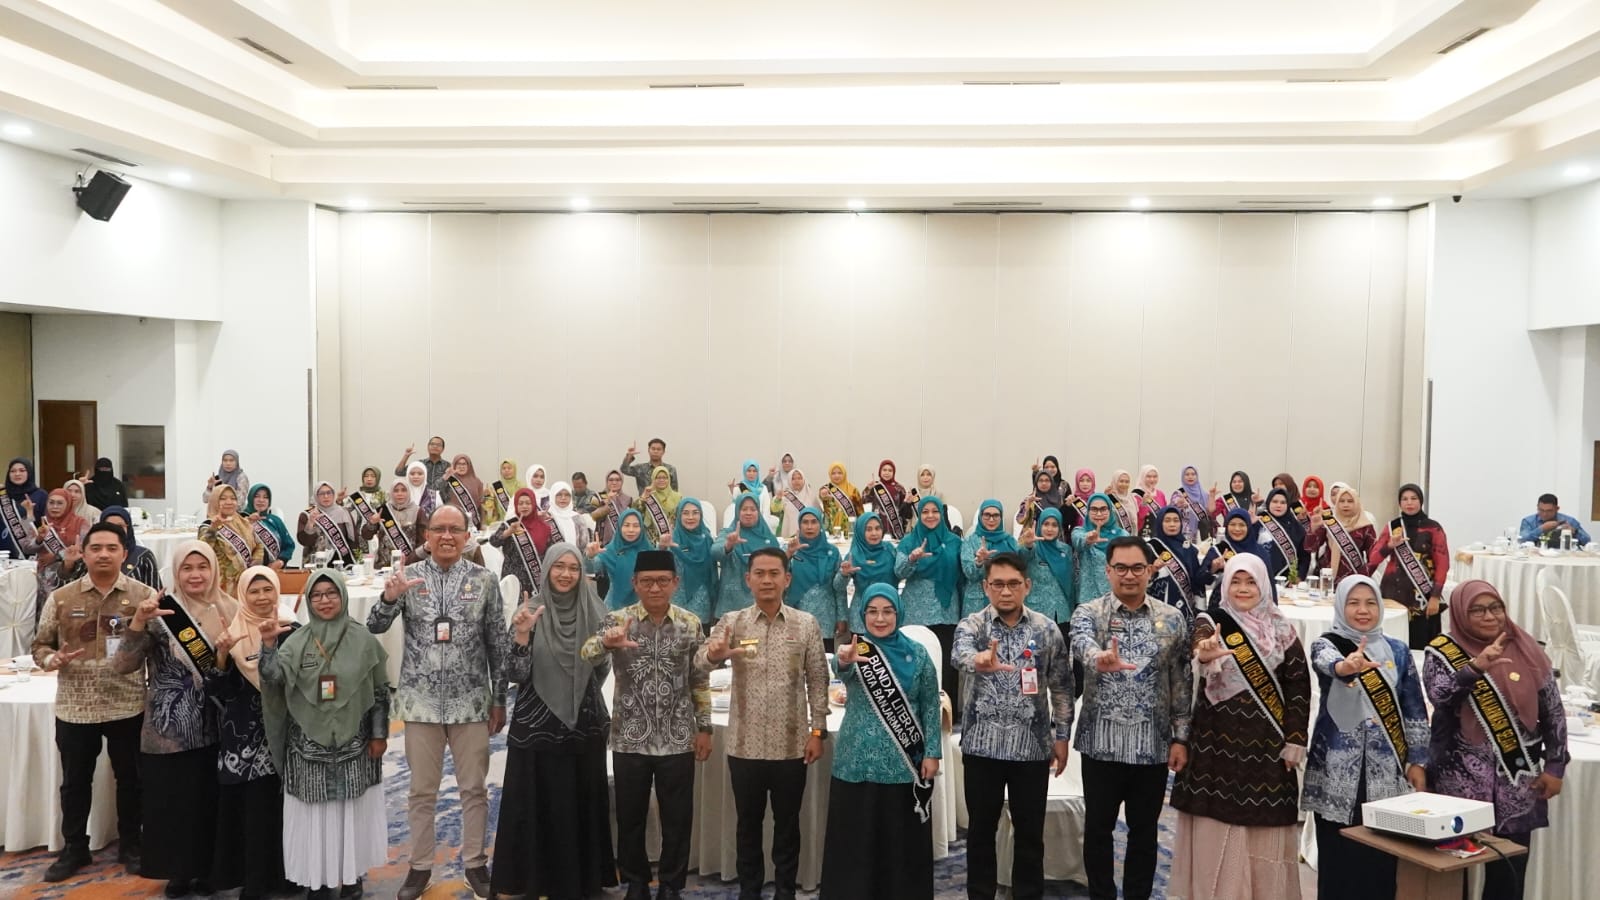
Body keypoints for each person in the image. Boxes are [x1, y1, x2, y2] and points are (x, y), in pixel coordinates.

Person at [369, 505, 507, 900]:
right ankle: (420, 867)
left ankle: (475, 864)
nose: (447, 536)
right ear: (426, 536)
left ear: (467, 536)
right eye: (439, 529)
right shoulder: (409, 577)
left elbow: (497, 643)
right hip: (421, 702)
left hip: (471, 702)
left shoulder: (484, 580)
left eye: (455, 530)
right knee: (421, 791)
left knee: (474, 789)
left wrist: (499, 698)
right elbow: (375, 625)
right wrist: (388, 598)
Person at [1169, 555, 1310, 900]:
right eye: (1235, 581)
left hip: (1267, 749)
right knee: (1216, 830)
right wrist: (1204, 653)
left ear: (1264, 585)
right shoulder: (1213, 620)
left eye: (1251, 582)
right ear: (1225, 585)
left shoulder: (1283, 629)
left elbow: (1298, 687)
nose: (1243, 589)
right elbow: (1201, 640)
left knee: (1264, 830)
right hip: (1215, 746)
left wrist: (1295, 739)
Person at [697, 547, 830, 900]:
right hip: (745, 746)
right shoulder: (732, 622)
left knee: (788, 826)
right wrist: (713, 655)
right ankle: (750, 891)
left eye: (774, 573)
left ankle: (785, 891)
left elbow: (818, 680)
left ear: (787, 579)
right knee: (747, 826)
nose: (767, 580)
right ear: (748, 579)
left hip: (792, 747)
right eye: (760, 573)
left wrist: (818, 731)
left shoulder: (806, 624)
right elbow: (699, 664)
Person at [1423, 580, 1569, 900]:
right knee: (1451, 876)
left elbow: (1554, 712)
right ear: (1460, 613)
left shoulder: (1527, 648)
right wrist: (1473, 669)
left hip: (1517, 784)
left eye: (1495, 608)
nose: (1489, 616)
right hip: (1458, 785)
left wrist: (1556, 765)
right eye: (1477, 610)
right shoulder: (1441, 651)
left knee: (1509, 876)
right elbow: (1439, 696)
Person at [579, 550, 711, 900]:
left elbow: (699, 678)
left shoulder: (690, 623)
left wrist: (705, 727)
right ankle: (636, 882)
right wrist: (605, 642)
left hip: (677, 736)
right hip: (630, 737)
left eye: (662, 581)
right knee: (630, 816)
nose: (655, 588)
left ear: (675, 583)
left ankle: (671, 884)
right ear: (634, 583)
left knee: (677, 818)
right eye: (647, 581)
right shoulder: (617, 619)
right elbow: (587, 654)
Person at [1070, 536, 1193, 900]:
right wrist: (1098, 658)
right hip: (1101, 744)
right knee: (1098, 830)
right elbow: (1080, 641)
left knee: (1144, 832)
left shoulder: (1172, 619)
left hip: (1151, 746)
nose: (1129, 575)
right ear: (1108, 571)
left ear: (1150, 571)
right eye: (1120, 568)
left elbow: (1180, 682)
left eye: (1137, 567)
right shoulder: (1089, 613)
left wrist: (1181, 737)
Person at [491, 543, 616, 900]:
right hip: (537, 726)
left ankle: (582, 881)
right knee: (537, 804)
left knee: (581, 802)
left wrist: (578, 690)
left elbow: (602, 668)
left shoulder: (597, 610)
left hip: (584, 723)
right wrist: (522, 635)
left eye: (573, 568)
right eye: (558, 567)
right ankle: (532, 881)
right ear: (546, 570)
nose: (566, 574)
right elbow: (515, 674)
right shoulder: (529, 611)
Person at [110, 541, 234, 897]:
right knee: (173, 804)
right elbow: (122, 665)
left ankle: (209, 870)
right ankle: (177, 872)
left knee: (210, 802)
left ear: (214, 570)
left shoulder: (230, 608)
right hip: (169, 730)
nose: (195, 575)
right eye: (187, 568)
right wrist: (138, 621)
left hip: (218, 727)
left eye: (202, 567)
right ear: (175, 572)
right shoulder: (160, 611)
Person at [32, 522, 152, 882]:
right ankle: (74, 848)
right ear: (83, 553)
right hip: (76, 706)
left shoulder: (143, 596)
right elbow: (40, 645)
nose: (103, 554)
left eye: (111, 548)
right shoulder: (62, 598)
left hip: (126, 703)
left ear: (124, 553)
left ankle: (132, 845)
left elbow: (157, 647)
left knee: (131, 779)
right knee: (74, 781)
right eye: (95, 548)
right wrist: (52, 659)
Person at [259, 569, 389, 900]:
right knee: (315, 817)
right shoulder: (297, 641)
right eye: (316, 595)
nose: (324, 600)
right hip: (308, 749)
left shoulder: (363, 640)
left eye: (331, 593)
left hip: (354, 745)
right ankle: (318, 879)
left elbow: (380, 691)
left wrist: (379, 734)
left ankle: (351, 876)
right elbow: (272, 679)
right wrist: (269, 645)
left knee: (350, 814)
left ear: (342, 596)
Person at [1303, 574, 1430, 900]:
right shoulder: (1327, 643)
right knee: (1338, 862)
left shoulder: (1398, 651)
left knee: (1380, 863)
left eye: (1371, 602)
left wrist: (1418, 760)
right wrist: (1346, 667)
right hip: (1336, 772)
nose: (1363, 610)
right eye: (1354, 603)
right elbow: (1326, 662)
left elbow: (1414, 709)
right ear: (1341, 606)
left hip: (1386, 773)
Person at [954, 553, 1074, 900]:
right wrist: (979, 659)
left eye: (1013, 584)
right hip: (982, 748)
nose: (1005, 592)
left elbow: (1062, 686)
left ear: (1027, 586)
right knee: (980, 833)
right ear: (985, 587)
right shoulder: (972, 626)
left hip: (1031, 749)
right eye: (998, 584)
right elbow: (960, 654)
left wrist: (1062, 736)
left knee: (1030, 834)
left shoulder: (1046, 630)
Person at [822, 583, 943, 899]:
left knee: (899, 841)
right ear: (863, 615)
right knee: (855, 840)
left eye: (887, 611)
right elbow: (841, 668)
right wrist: (844, 660)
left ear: (898, 613)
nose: (880, 619)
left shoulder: (918, 654)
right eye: (873, 612)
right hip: (856, 761)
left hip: (903, 763)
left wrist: (932, 752)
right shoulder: (858, 648)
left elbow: (931, 705)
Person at [206, 565, 296, 900]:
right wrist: (221, 655)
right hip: (244, 738)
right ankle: (254, 881)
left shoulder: (292, 630)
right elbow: (218, 691)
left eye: (267, 589)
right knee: (252, 813)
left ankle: (289, 877)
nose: (261, 597)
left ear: (277, 591)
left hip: (284, 734)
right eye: (254, 591)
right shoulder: (232, 635)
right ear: (243, 595)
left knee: (284, 809)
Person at [896, 496, 963, 715]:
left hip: (946, 610)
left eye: (935, 511)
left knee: (945, 662)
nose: (930, 515)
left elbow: (962, 576)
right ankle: (913, 713)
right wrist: (912, 559)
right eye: (925, 511)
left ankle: (947, 715)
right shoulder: (909, 541)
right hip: (916, 609)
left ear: (942, 515)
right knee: (916, 662)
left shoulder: (954, 542)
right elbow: (899, 572)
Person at [1369, 483, 1450, 649]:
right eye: (1404, 499)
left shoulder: (1433, 528)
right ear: (1399, 503)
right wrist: (1389, 546)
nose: (1409, 503)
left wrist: (1435, 597)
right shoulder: (1393, 527)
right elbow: (1374, 558)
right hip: (1393, 594)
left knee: (1420, 645)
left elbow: (1443, 564)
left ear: (1421, 501)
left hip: (1423, 597)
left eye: (1414, 498)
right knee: (1391, 643)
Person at [785, 507, 846, 648]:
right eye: (805, 522)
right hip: (795, 615)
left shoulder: (832, 552)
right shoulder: (791, 550)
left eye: (814, 522)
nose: (809, 527)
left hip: (825, 617)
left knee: (824, 658)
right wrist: (788, 555)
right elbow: (779, 578)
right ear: (799, 525)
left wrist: (842, 616)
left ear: (820, 524)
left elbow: (839, 589)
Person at [713, 493, 781, 617]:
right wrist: (729, 545)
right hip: (731, 604)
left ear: (758, 512)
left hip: (761, 602)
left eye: (753, 509)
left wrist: (789, 553)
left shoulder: (767, 537)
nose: (748, 513)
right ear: (737, 512)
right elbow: (715, 553)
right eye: (744, 509)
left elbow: (780, 564)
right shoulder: (729, 533)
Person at [1019, 507, 1076, 635]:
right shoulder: (1032, 548)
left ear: (1059, 528)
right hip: (1036, 612)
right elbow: (1021, 559)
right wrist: (1028, 545)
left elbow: (1070, 582)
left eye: (1054, 525)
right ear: (1040, 525)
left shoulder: (1065, 550)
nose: (1050, 529)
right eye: (1046, 524)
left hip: (1061, 613)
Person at [490, 488, 556, 598]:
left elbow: (551, 552)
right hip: (513, 579)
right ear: (515, 505)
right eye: (520, 503)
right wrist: (509, 532)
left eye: (528, 503)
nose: (524, 506)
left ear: (534, 504)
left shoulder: (544, 526)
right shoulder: (510, 524)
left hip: (536, 578)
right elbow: (493, 541)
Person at [961, 499, 1022, 616]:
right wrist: (979, 562)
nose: (991, 519)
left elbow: (1021, 567)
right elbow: (969, 574)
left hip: (1005, 601)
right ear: (980, 516)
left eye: (996, 515)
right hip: (977, 605)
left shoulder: (1010, 541)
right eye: (987, 515)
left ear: (1001, 517)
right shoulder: (970, 541)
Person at [201, 483, 264, 594]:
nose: (229, 502)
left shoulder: (243, 522)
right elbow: (202, 551)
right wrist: (213, 528)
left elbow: (258, 545)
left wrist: (254, 565)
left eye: (233, 498)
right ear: (215, 501)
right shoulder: (208, 526)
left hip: (247, 584)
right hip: (222, 589)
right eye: (223, 499)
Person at [1145, 506, 1206, 621]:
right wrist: (1153, 570)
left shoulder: (1190, 549)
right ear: (1160, 523)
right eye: (1167, 521)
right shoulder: (1150, 548)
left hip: (1186, 608)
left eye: (1176, 520)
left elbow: (1197, 581)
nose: (1172, 524)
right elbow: (1140, 580)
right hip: (1159, 608)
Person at [662, 498, 717, 626]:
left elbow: (713, 574)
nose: (690, 517)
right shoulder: (671, 540)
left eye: (695, 513)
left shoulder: (707, 539)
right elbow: (658, 568)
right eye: (685, 513)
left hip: (702, 604)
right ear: (679, 515)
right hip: (676, 605)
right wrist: (662, 548)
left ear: (701, 515)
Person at [588, 508, 654, 611]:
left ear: (641, 528)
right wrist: (591, 556)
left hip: (644, 608)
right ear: (619, 527)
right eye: (626, 525)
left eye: (636, 526)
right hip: (614, 608)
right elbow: (592, 570)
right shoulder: (609, 550)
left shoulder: (649, 550)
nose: (631, 530)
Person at [1305, 483, 1375, 580]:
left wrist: (1362, 576)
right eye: (1342, 501)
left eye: (1350, 501)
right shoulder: (1329, 522)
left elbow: (1374, 557)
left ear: (1357, 503)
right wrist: (1314, 528)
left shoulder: (1366, 527)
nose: (1345, 505)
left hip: (1354, 579)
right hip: (1327, 579)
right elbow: (1310, 548)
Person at [1202, 508, 1271, 606]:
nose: (1237, 529)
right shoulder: (1219, 550)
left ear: (1248, 527)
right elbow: (1200, 580)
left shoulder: (1260, 552)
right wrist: (1213, 568)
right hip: (1222, 606)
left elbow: (1269, 585)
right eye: (1232, 524)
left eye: (1242, 525)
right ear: (1226, 526)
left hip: (1254, 606)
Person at [1071, 493, 1126, 608]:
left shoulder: (1123, 535)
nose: (1099, 514)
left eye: (1103, 509)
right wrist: (1088, 540)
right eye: (1094, 509)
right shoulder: (1079, 531)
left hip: (1116, 599)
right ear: (1088, 511)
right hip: (1088, 601)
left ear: (1110, 511)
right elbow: (1079, 542)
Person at [360, 477, 425, 571]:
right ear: (391, 492)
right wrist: (372, 523)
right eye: (396, 490)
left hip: (409, 565)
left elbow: (423, 541)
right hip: (383, 566)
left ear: (409, 492)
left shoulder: (418, 511)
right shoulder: (383, 511)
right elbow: (366, 536)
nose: (400, 494)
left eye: (403, 490)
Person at [834, 511, 898, 602]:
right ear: (860, 531)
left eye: (877, 528)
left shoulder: (889, 550)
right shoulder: (854, 555)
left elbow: (901, 574)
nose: (874, 533)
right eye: (868, 529)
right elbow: (838, 587)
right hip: (862, 606)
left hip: (889, 604)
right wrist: (843, 574)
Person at [98, 506, 163, 589]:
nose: (115, 530)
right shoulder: (93, 555)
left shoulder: (143, 557)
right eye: (109, 526)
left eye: (120, 526)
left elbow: (156, 593)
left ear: (128, 528)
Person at [297, 482, 359, 566]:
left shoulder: (343, 512)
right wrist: (310, 523)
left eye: (329, 493)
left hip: (341, 562)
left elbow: (354, 539)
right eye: (321, 493)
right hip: (315, 563)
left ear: (333, 495)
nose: (326, 496)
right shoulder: (307, 515)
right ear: (316, 496)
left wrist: (357, 561)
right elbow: (304, 541)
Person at [1257, 487, 1307, 583]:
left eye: (1283, 502)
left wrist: (1299, 576)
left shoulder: (1296, 527)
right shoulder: (1258, 521)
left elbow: (1304, 557)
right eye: (1275, 501)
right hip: (1260, 577)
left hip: (1288, 581)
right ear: (1268, 503)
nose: (1278, 505)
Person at [246, 484, 296, 570]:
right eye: (257, 496)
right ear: (250, 498)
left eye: (265, 497)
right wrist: (248, 522)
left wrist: (280, 561)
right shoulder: (241, 518)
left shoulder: (275, 520)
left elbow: (289, 546)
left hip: (274, 571)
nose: (261, 500)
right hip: (248, 571)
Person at [1519, 493, 1592, 547]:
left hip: (1564, 556)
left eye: (1549, 511)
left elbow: (1587, 540)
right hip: (1536, 556)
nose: (1544, 514)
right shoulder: (1528, 521)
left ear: (1557, 509)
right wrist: (1541, 529)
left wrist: (1574, 531)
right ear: (1537, 507)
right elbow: (1522, 540)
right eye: (1541, 510)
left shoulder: (1569, 521)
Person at [863, 459, 912, 540]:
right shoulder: (874, 486)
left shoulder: (899, 488)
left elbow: (905, 512)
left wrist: (908, 503)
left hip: (896, 529)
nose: (887, 473)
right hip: (877, 527)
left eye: (890, 470)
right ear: (880, 471)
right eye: (884, 470)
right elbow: (864, 505)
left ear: (894, 472)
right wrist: (868, 489)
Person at [634, 465, 683, 544]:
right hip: (652, 540)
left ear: (669, 479)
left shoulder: (678, 497)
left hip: (673, 538)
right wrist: (643, 498)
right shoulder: (649, 496)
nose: (661, 480)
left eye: (664, 478)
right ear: (653, 479)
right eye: (658, 478)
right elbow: (635, 513)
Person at [770, 467, 817, 541]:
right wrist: (778, 499)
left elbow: (818, 516)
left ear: (804, 479)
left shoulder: (812, 496)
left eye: (799, 478)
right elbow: (775, 510)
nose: (796, 481)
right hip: (789, 535)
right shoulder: (785, 495)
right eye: (793, 479)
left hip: (809, 535)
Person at [589, 469, 635, 544]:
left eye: (618, 480)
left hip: (623, 540)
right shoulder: (598, 497)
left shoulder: (628, 499)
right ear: (607, 481)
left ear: (622, 482)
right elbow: (593, 516)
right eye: (611, 480)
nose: (614, 482)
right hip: (603, 541)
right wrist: (607, 502)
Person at [818, 461, 863, 534]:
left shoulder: (853, 490)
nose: (836, 476)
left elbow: (860, 512)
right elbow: (822, 495)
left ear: (844, 474)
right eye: (833, 473)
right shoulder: (826, 489)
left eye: (839, 473)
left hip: (850, 530)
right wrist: (822, 494)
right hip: (831, 529)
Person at [442, 454, 486, 529]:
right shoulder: (449, 480)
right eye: (458, 464)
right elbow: (436, 492)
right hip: (452, 521)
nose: (461, 467)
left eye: (464, 464)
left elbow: (481, 505)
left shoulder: (477, 481)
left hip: (474, 523)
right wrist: (445, 478)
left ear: (469, 466)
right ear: (454, 465)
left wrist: (482, 523)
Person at [546, 480, 593, 548]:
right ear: (553, 496)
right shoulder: (547, 517)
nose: (563, 498)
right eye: (559, 494)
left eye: (567, 495)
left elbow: (584, 544)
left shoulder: (577, 517)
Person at [1171, 465, 1211, 542]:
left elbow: (1209, 513)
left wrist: (1212, 497)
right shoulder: (1178, 494)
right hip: (1185, 532)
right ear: (1183, 477)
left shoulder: (1204, 494)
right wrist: (1178, 505)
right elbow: (1171, 512)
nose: (1190, 477)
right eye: (1187, 474)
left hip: (1203, 533)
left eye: (1193, 474)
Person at [480, 458, 523, 525]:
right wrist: (487, 497)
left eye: (509, 468)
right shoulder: (495, 487)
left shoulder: (522, 486)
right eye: (504, 468)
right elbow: (490, 509)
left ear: (515, 470)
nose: (506, 470)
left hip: (519, 522)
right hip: (500, 523)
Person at [1133, 465, 1166, 536]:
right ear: (1142, 477)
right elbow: (1135, 518)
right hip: (1143, 533)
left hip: (1159, 533)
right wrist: (1143, 504)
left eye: (1155, 476)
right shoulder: (1136, 495)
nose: (1152, 479)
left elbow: (1164, 513)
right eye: (1148, 476)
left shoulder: (1160, 494)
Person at [1105, 470, 1140, 534]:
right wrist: (1105, 497)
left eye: (1127, 482)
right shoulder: (1110, 498)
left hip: (1132, 537)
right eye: (1121, 481)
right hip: (1115, 536)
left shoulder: (1132, 499)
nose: (1124, 484)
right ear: (1115, 482)